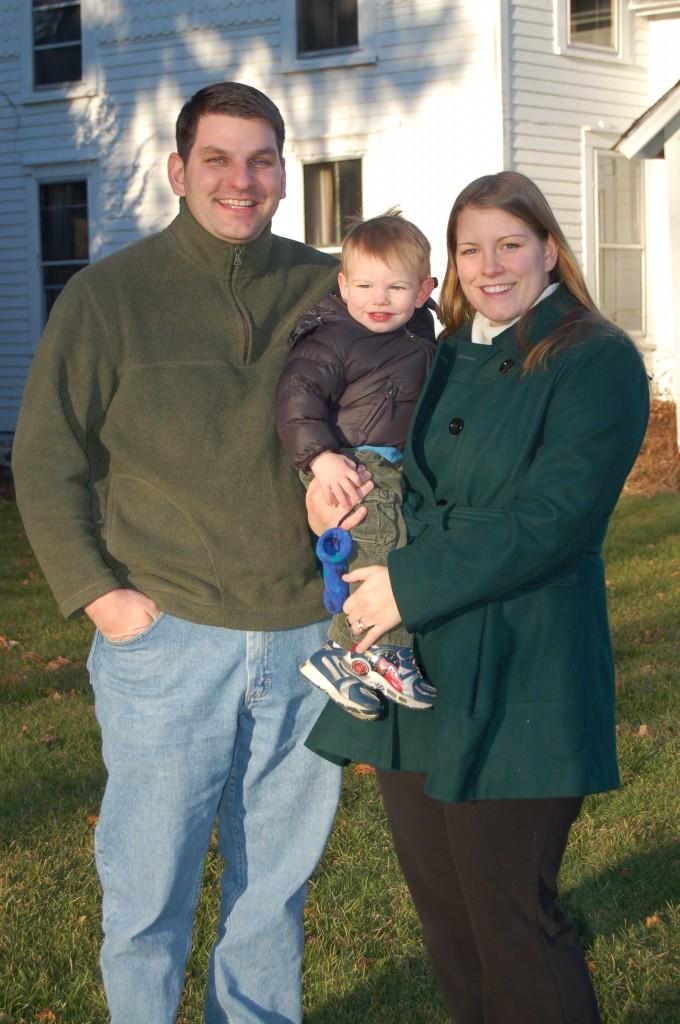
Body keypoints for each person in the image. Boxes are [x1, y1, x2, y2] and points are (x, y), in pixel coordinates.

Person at [11, 81, 359, 1024]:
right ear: (178, 169)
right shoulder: (108, 299)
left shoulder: (332, 289)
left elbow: (402, 389)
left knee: (270, 895)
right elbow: (46, 462)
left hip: (303, 641)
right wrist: (102, 599)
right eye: (217, 159)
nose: (239, 181)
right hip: (166, 643)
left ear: (283, 174)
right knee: (147, 899)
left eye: (260, 160)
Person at [305, 171, 650, 1023]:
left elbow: (554, 518)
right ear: (450, 266)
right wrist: (331, 485)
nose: (491, 266)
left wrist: (409, 586)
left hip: (520, 664)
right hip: (417, 674)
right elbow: (388, 461)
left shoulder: (594, 357)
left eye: (509, 244)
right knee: (451, 927)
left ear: (548, 249)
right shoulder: (443, 350)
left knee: (512, 924)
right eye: (471, 249)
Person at [276, 211, 437, 720]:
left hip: (388, 458)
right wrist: (320, 457)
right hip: (349, 461)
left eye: (395, 287)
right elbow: (296, 397)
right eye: (364, 285)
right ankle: (367, 653)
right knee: (379, 546)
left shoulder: (420, 332)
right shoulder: (333, 338)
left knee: (391, 542)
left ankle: (352, 659)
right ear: (343, 285)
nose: (378, 299)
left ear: (423, 289)